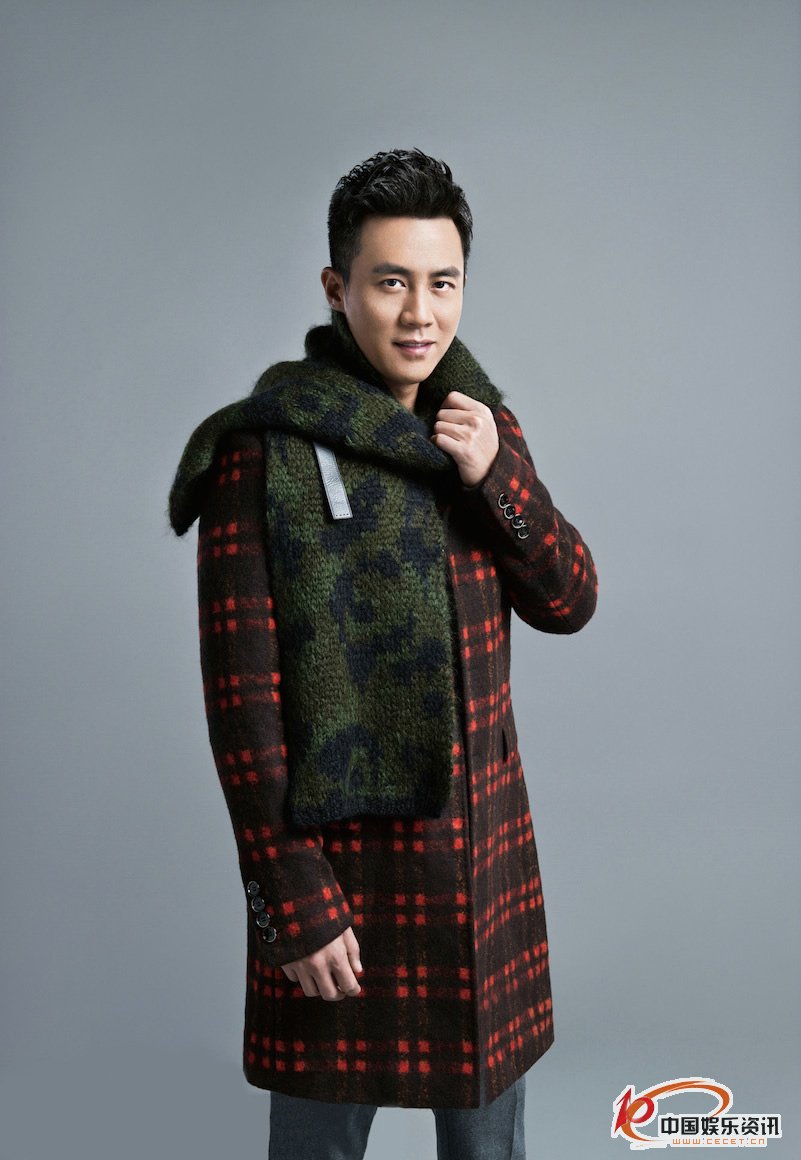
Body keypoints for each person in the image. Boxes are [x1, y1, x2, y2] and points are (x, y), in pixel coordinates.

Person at [168, 148, 598, 1160]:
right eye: (390, 281)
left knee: (489, 1149)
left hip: (480, 866)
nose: (419, 313)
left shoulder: (478, 428)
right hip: (342, 879)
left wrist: (497, 476)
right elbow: (243, 700)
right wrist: (290, 892)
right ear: (338, 287)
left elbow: (570, 599)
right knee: (317, 1146)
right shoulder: (262, 452)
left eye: (442, 282)